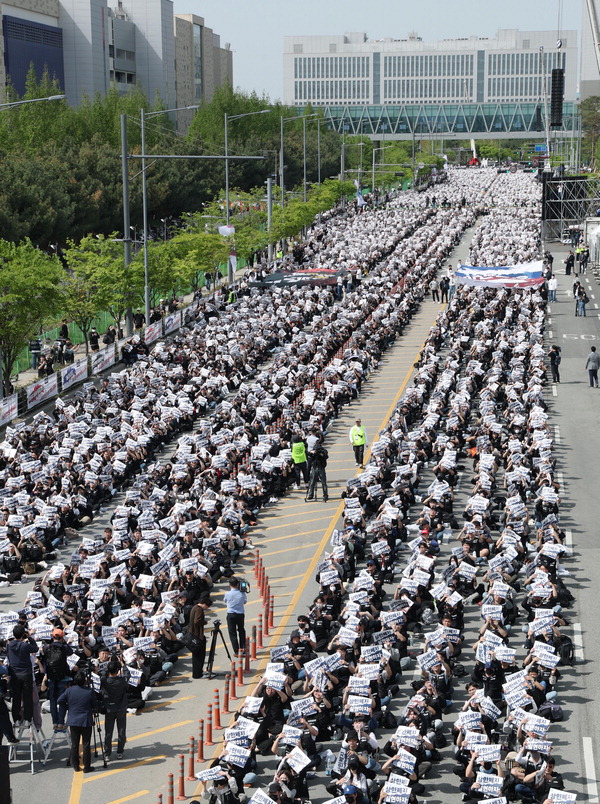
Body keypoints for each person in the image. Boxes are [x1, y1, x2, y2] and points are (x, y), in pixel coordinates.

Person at [58, 671, 97, 773]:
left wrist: (68, 707)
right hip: (85, 720)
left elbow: (59, 700)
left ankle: (75, 765)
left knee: (75, 744)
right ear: (85, 680)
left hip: (73, 720)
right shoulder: (89, 691)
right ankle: (87, 766)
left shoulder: (69, 691)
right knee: (86, 744)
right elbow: (95, 705)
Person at [42, 627, 73, 731]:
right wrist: (66, 642)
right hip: (63, 677)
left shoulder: (47, 647)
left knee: (53, 701)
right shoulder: (64, 647)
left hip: (51, 677)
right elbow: (71, 652)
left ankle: (54, 723)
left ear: (52, 636)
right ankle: (61, 723)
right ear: (62, 637)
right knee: (62, 701)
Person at [6, 624, 37, 725]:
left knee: (16, 697)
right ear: (23, 634)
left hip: (15, 674)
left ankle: (16, 719)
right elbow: (35, 648)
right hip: (26, 674)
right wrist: (30, 638)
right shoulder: (25, 645)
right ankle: (28, 718)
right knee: (27, 697)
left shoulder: (9, 645)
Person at [101, 658, 128, 760]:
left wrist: (108, 665)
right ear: (118, 670)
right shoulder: (122, 681)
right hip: (121, 708)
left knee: (108, 732)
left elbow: (103, 675)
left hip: (109, 708)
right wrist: (122, 664)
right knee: (121, 731)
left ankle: (107, 753)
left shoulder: (105, 681)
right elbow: (127, 674)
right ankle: (120, 752)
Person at [224, 577, 247, 656]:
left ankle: (236, 651)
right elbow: (244, 602)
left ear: (229, 584)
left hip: (231, 614)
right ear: (238, 584)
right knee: (241, 630)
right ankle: (243, 648)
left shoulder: (227, 594)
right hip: (240, 614)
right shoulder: (242, 593)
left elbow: (225, 600)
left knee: (232, 633)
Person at [188, 600, 210, 679]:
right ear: (204, 604)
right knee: (199, 656)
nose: (206, 608)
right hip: (197, 635)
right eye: (207, 607)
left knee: (197, 656)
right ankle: (198, 674)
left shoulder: (194, 607)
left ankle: (199, 671)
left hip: (194, 634)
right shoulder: (199, 609)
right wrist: (204, 622)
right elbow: (197, 621)